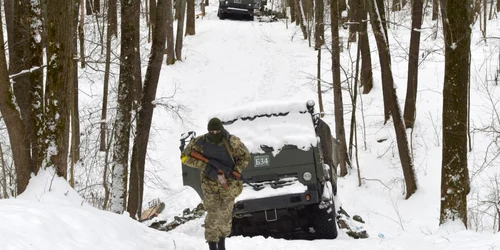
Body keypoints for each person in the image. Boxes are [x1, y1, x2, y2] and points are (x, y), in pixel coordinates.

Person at [181, 117, 250, 250]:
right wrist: (205, 166)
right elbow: (184, 157)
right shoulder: (199, 142)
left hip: (228, 184)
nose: (214, 133)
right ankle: (212, 245)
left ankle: (222, 242)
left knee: (225, 214)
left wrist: (236, 170)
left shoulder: (232, 141)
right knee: (212, 213)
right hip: (209, 183)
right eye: (211, 131)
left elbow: (246, 156)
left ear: (221, 129)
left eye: (217, 131)